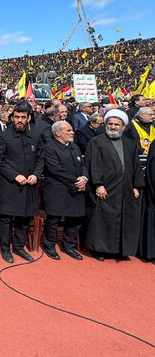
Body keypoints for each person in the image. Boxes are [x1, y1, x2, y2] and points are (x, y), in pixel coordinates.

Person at [84, 109, 145, 261]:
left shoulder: (130, 144)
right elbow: (93, 164)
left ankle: (120, 250)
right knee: (102, 219)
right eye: (110, 124)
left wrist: (136, 186)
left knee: (124, 219)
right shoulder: (97, 141)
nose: (112, 127)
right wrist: (98, 184)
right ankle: (99, 250)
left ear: (123, 126)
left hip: (125, 189)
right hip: (106, 188)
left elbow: (136, 166)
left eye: (116, 124)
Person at [0, 104, 43, 263]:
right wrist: (15, 175)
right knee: (6, 218)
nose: (20, 120)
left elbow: (41, 158)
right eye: (17, 117)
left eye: (23, 117)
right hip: (11, 184)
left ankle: (19, 247)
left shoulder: (35, 136)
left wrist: (36, 174)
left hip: (30, 184)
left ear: (28, 118)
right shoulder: (4, 136)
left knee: (25, 217)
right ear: (12, 118)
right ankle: (6, 249)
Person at [41, 121, 88, 260]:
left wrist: (84, 178)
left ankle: (69, 246)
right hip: (58, 189)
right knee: (54, 219)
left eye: (71, 130)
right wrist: (76, 180)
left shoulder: (74, 147)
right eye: (68, 130)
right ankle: (49, 245)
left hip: (77, 188)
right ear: (58, 133)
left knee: (75, 218)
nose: (72, 132)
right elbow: (55, 169)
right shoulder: (49, 148)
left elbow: (83, 164)